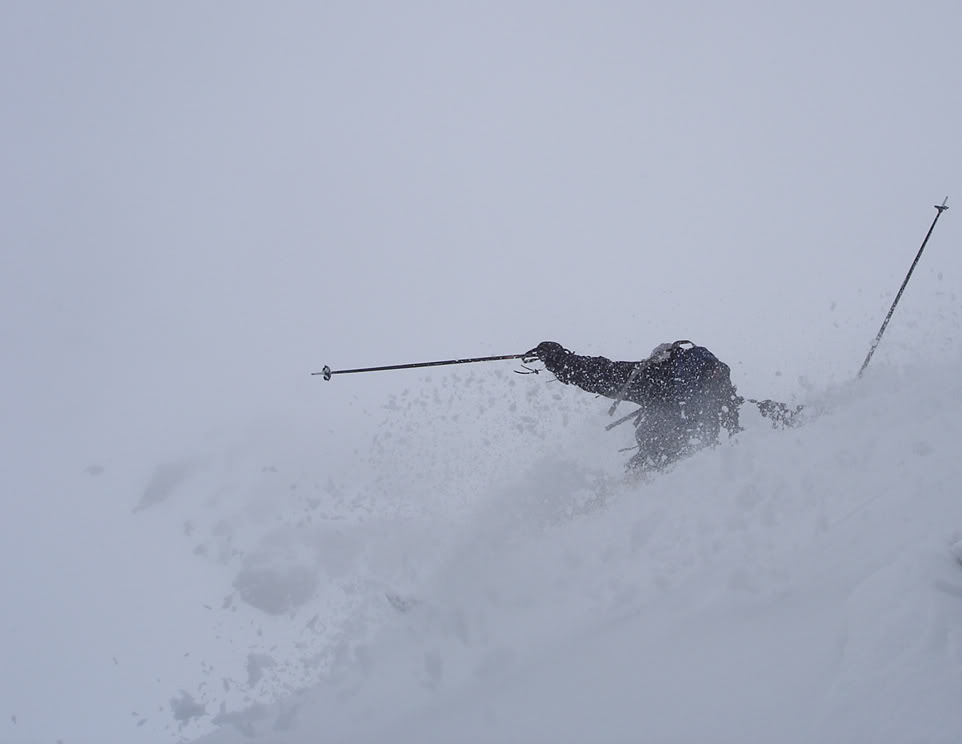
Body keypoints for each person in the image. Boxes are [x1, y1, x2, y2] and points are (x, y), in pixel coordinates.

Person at [529, 340, 743, 473]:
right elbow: (757, 420)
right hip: (703, 466)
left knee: (633, 484)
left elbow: (602, 374)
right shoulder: (730, 401)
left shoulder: (656, 378)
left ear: (662, 358)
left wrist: (559, 359)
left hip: (657, 462)